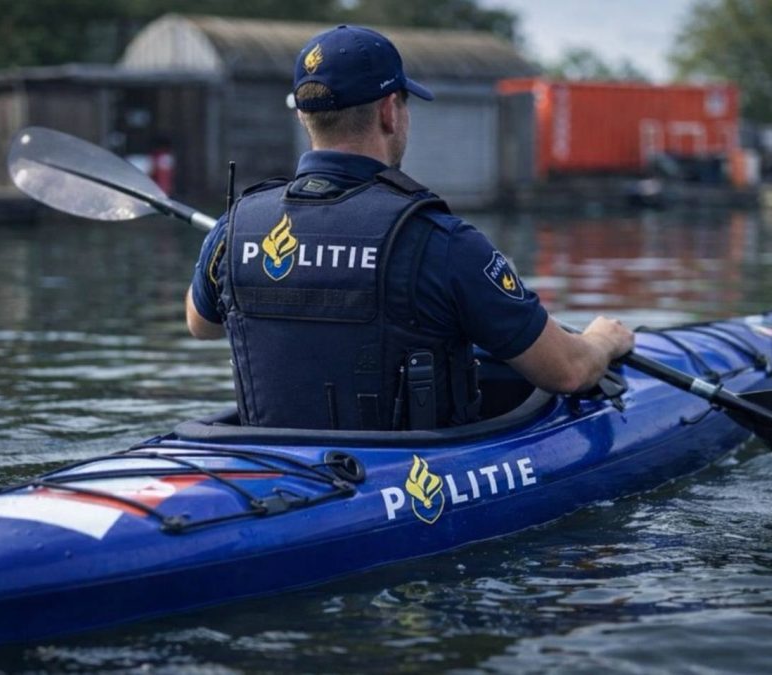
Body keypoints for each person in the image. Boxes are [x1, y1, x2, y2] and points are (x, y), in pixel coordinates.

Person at [185, 24, 633, 431]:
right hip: (398, 476)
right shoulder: (442, 241)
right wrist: (601, 340)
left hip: (265, 467)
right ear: (389, 112)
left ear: (304, 116)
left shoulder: (234, 228)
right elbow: (569, 371)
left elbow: (200, 324)